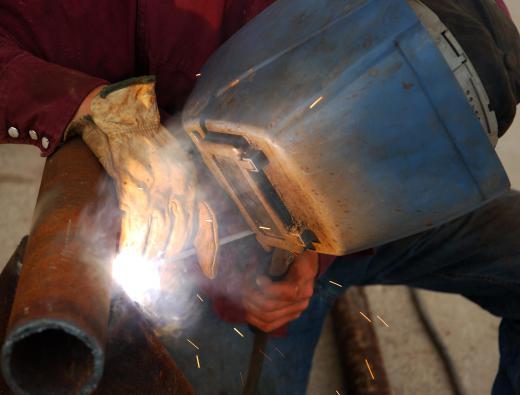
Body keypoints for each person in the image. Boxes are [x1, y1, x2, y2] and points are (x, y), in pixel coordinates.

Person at [1, 0, 519, 394]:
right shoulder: (136, 15)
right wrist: (84, 105)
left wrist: (318, 251)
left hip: (360, 234)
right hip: (213, 255)